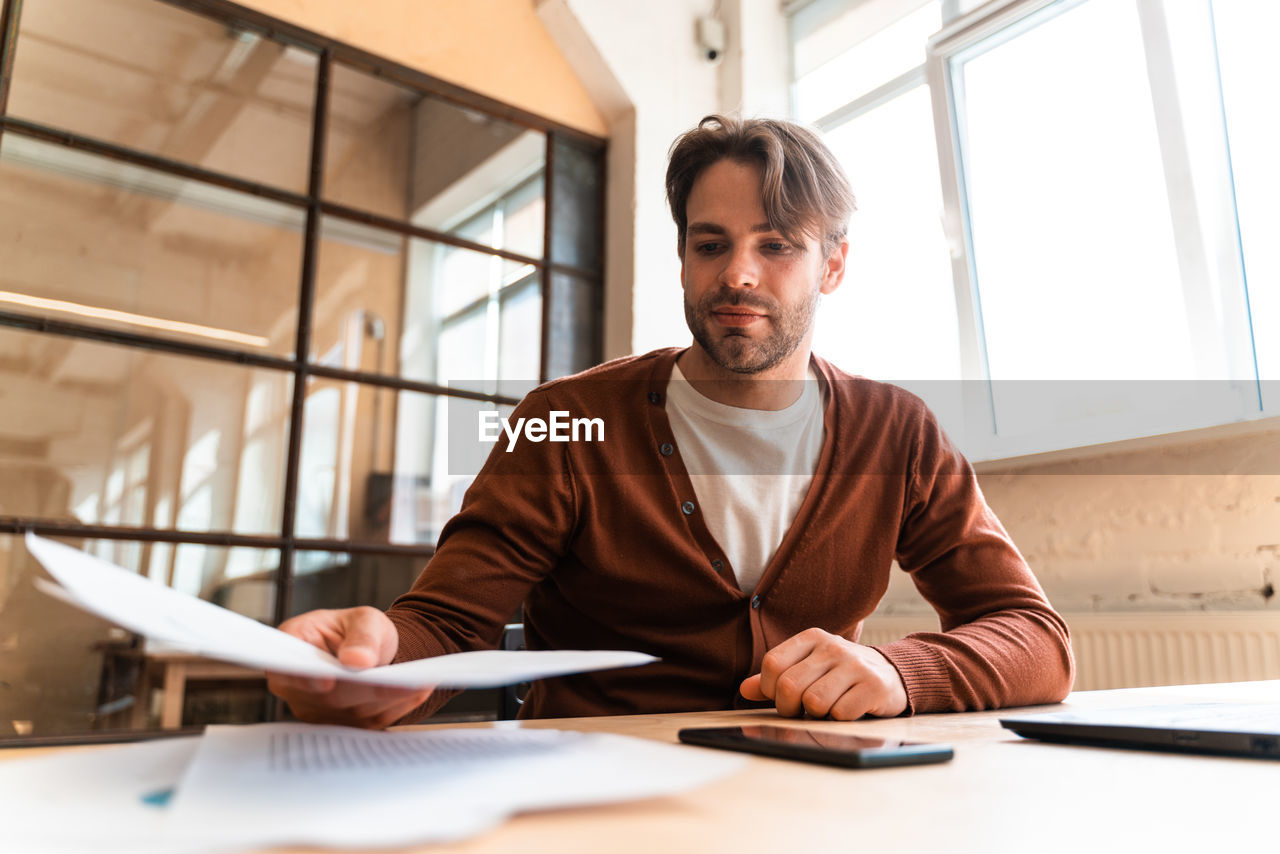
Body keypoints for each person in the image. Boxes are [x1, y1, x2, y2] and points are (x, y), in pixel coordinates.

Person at [268, 115, 1074, 728]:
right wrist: (373, 660)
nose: (738, 275)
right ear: (683, 255)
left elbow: (1034, 636)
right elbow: (447, 625)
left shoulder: (897, 432)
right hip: (594, 799)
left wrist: (902, 674)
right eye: (710, 243)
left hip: (808, 799)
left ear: (833, 265)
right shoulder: (567, 422)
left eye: (777, 246)